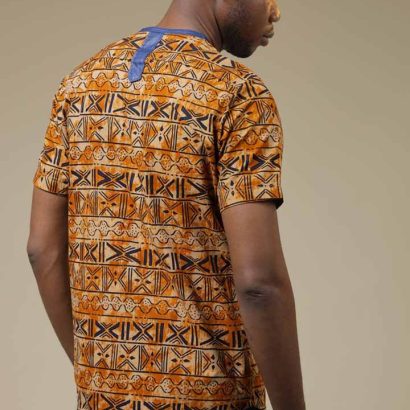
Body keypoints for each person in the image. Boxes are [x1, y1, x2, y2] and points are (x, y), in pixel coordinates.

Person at [27, 0, 306, 409]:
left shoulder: (79, 86)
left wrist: (98, 374)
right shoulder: (237, 95)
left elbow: (42, 250)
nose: (275, 10)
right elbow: (259, 284)